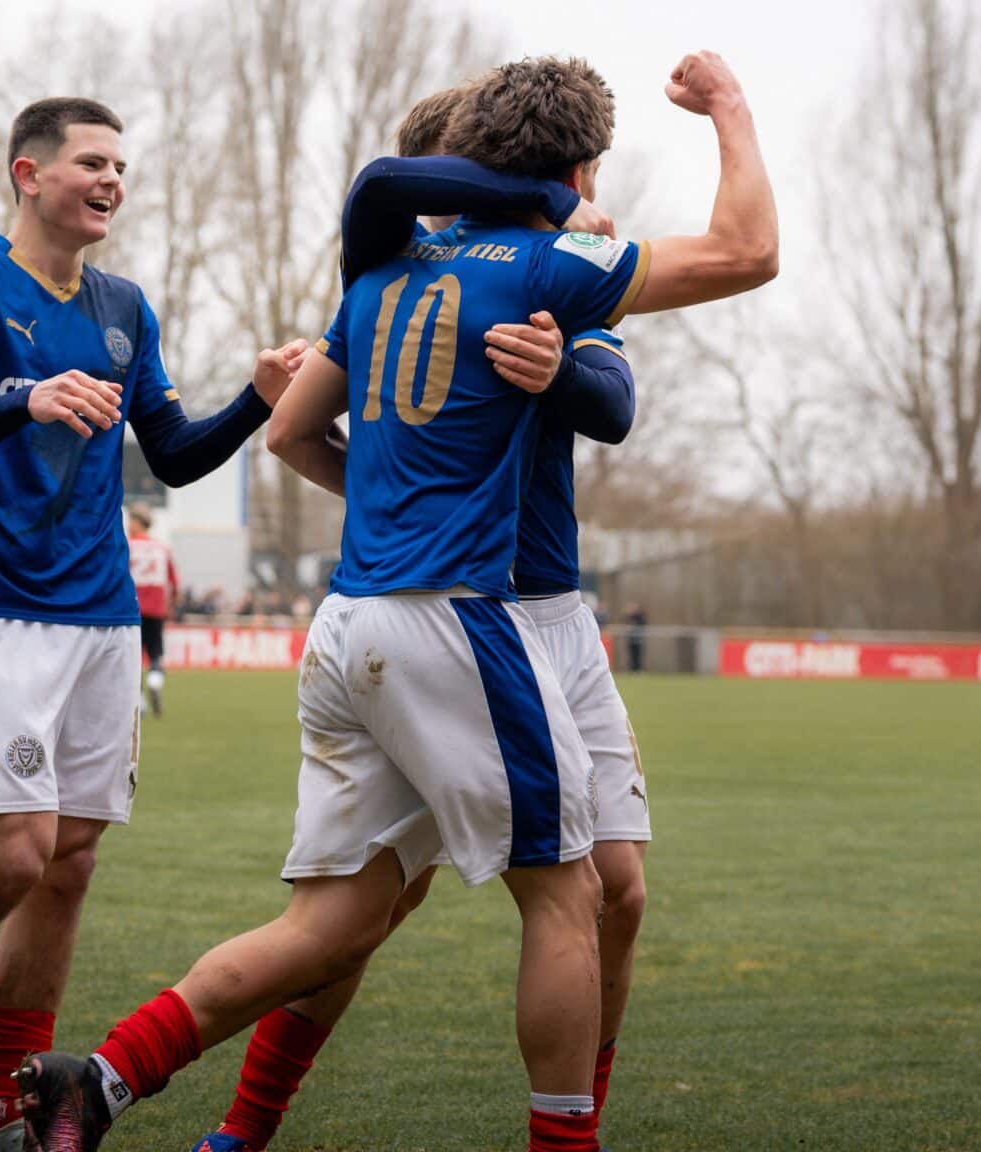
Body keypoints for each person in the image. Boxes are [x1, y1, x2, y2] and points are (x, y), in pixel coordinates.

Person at [19, 50, 777, 1152]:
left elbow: (294, 429)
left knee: (344, 921)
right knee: (561, 899)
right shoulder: (550, 262)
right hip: (466, 621)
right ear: (576, 166)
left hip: (364, 620)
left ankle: (100, 1079)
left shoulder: (381, 278)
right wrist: (728, 107)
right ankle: (564, 1141)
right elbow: (747, 250)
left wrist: (528, 395)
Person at [0, 94, 320, 1152]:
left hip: (99, 618)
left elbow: (173, 451)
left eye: (120, 167)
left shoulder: (123, 305)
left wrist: (253, 396)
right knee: (9, 859)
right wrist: (27, 400)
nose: (111, 182)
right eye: (91, 162)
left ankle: (4, 1109)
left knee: (70, 862)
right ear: (27, 173)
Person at [184, 85, 655, 1152]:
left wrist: (564, 365)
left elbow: (617, 405)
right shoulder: (399, 278)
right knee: (378, 914)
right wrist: (406, 503)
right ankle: (239, 1124)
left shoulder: (551, 269)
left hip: (546, 612)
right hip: (466, 619)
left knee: (611, 891)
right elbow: (302, 432)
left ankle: (581, 1112)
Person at [125, 503, 176, 717]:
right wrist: (170, 605)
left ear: (138, 522)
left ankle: (140, 702)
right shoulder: (162, 548)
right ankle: (155, 681)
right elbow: (174, 581)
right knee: (155, 654)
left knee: (132, 659)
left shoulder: (127, 546)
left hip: (132, 609)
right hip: (156, 610)